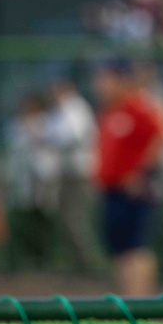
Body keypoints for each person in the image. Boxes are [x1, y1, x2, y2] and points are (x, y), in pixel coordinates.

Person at [92, 60, 163, 296]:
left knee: (137, 249)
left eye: (105, 79)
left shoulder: (138, 108)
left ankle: (139, 311)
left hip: (134, 191)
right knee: (120, 251)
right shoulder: (110, 111)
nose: (100, 85)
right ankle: (124, 308)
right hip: (112, 190)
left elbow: (162, 137)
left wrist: (140, 174)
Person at [0, 91, 62, 271]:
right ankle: (14, 262)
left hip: (43, 181)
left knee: (42, 221)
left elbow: (52, 154)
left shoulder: (48, 124)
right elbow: (8, 154)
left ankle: (43, 261)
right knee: (17, 220)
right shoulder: (15, 126)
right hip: (19, 181)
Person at [50, 77, 101, 273]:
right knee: (68, 217)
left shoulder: (76, 108)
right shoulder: (63, 109)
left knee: (74, 217)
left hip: (79, 170)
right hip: (69, 170)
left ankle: (87, 262)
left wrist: (49, 139)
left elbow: (72, 137)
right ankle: (79, 261)